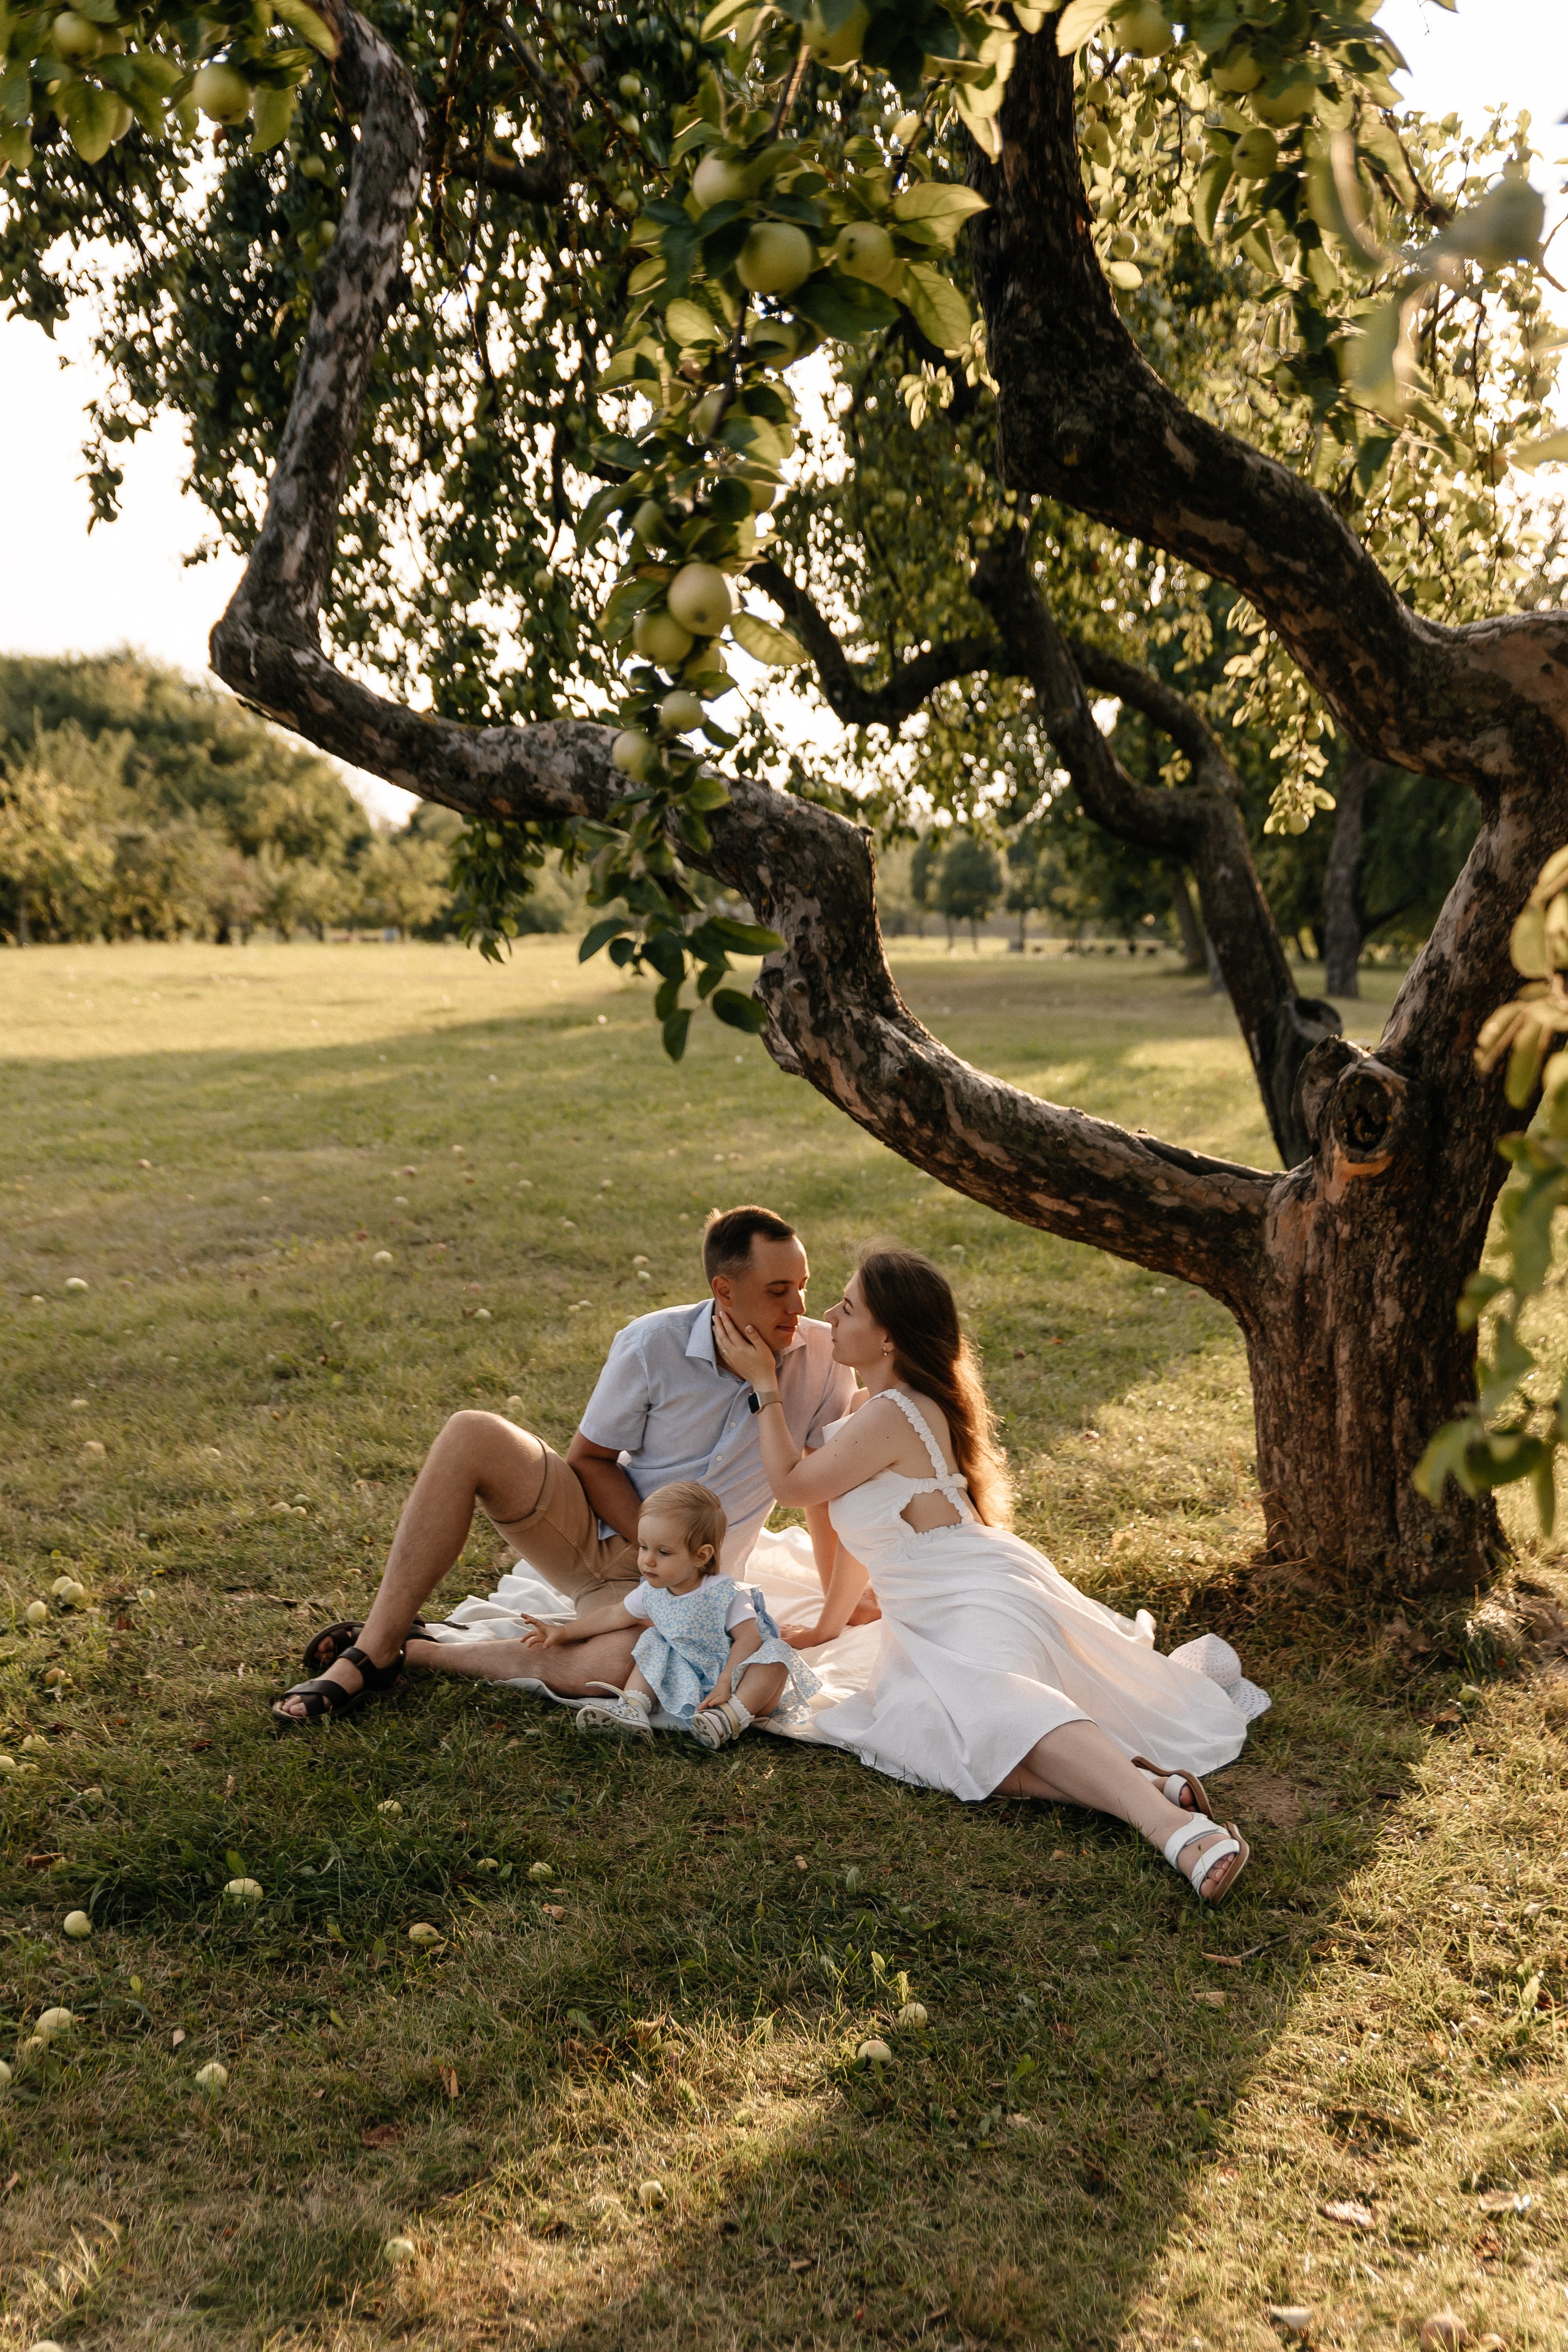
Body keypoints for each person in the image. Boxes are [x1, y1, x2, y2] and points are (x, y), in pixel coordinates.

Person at [712, 1245, 1259, 1904]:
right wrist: (832, 1620)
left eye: (847, 1305)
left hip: (972, 1593)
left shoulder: (892, 1412)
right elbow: (862, 1525)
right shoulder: (870, 1406)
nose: (830, 1314)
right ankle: (1140, 1783)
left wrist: (764, 1385)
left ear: (886, 1336)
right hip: (926, 1612)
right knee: (934, 1744)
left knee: (996, 1705)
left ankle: (1176, 1829)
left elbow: (794, 1485)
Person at [272, 1205, 859, 1728]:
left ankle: (417, 1652)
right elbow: (591, 1460)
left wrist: (833, 1612)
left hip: (682, 1583)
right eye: (779, 1290)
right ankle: (371, 1648)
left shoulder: (824, 1359)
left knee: (616, 1664)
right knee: (471, 1431)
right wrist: (652, 1540)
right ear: (724, 1291)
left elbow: (822, 1486)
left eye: (804, 1286)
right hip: (595, 1528)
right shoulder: (651, 1342)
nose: (799, 1307)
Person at [518, 1479, 820, 1747]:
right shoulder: (652, 1593)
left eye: (663, 1553)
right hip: (687, 1680)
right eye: (643, 1547)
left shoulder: (727, 1594)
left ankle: (729, 1719)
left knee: (776, 1654)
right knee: (653, 1638)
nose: (648, 1561)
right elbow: (614, 1615)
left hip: (741, 1683)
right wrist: (564, 1632)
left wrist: (727, 1682)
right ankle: (633, 1707)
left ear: (701, 1556)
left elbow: (748, 1640)